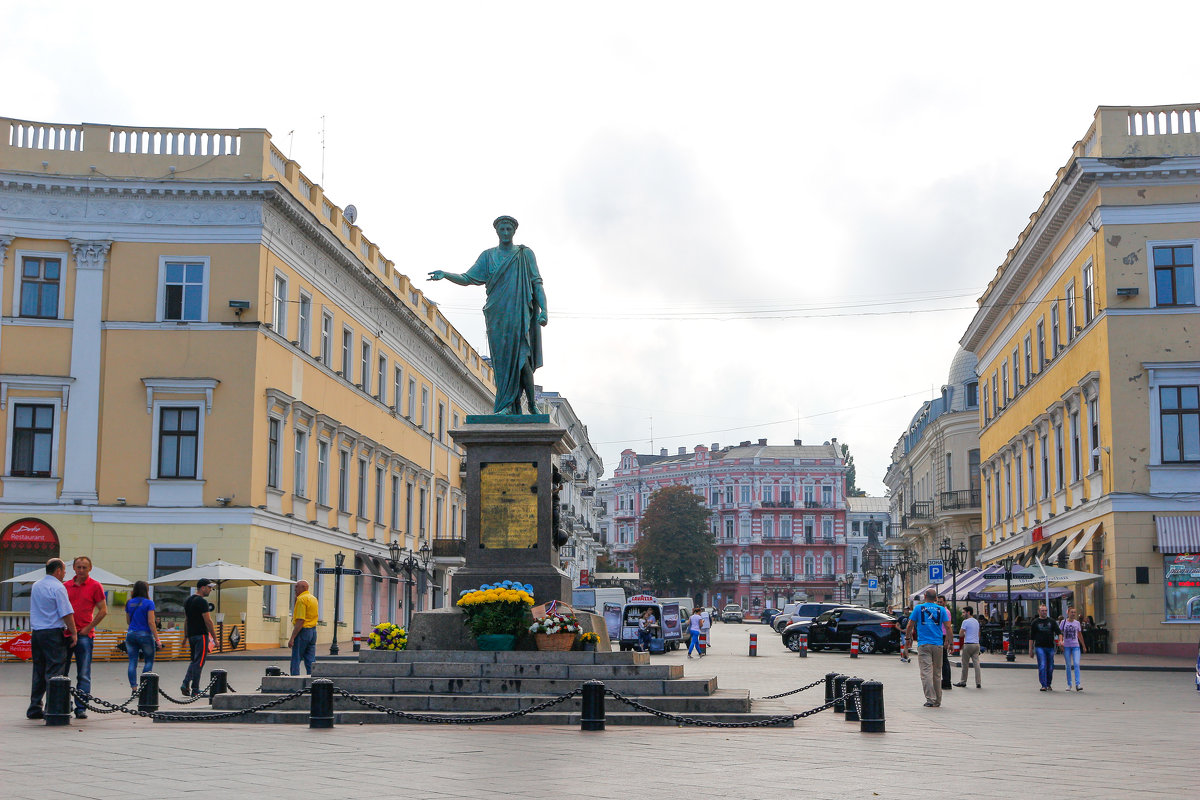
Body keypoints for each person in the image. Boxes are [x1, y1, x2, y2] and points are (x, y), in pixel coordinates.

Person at [428, 216, 548, 415]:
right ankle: (507, 405)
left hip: (519, 314)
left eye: (509, 228)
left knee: (522, 359)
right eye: (503, 228)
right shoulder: (488, 256)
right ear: (497, 231)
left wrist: (544, 311)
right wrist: (446, 274)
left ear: (514, 231)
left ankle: (531, 406)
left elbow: (537, 283)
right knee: (501, 362)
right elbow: (468, 278)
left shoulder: (524, 254)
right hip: (496, 315)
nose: (506, 232)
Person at [26, 558, 77, 720]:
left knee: (39, 670)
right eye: (64, 571)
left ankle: (34, 707)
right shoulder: (58, 587)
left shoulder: (36, 585)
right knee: (55, 670)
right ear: (58, 571)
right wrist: (74, 632)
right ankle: (52, 707)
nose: (64, 574)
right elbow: (66, 613)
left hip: (37, 632)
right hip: (53, 633)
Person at [64, 556, 107, 719]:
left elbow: (103, 610)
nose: (81, 570)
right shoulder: (65, 586)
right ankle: (63, 703)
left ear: (90, 568)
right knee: (62, 672)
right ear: (73, 568)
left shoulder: (95, 586)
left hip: (84, 634)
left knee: (83, 672)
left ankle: (81, 707)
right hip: (66, 634)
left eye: (84, 567)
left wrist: (88, 628)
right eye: (78, 567)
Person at [905, 588, 950, 708]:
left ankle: (930, 699)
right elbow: (948, 627)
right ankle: (938, 700)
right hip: (938, 644)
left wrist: (907, 637)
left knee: (926, 672)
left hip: (924, 644)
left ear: (925, 596)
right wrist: (949, 641)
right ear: (936, 598)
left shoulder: (918, 608)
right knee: (937, 673)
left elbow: (910, 624)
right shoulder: (941, 609)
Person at [181, 578, 216, 696]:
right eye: (209, 587)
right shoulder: (202, 602)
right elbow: (208, 621)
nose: (210, 590)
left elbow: (186, 620)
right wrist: (215, 638)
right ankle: (195, 690)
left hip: (191, 635)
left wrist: (185, 636)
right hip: (201, 634)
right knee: (199, 662)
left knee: (194, 661)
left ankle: (185, 683)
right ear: (202, 587)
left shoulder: (188, 601)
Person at [124, 580, 161, 690]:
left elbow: (128, 621)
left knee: (132, 662)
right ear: (146, 590)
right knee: (148, 660)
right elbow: (151, 622)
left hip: (131, 634)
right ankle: (144, 687)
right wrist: (157, 639)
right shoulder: (149, 603)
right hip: (145, 634)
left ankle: (134, 688)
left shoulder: (129, 602)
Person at [287, 579, 319, 675]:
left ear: (304, 588)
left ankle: (294, 679)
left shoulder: (301, 600)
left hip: (303, 631)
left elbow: (300, 620)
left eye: (297, 587)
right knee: (310, 658)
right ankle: (313, 678)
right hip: (313, 632)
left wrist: (292, 638)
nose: (295, 589)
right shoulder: (313, 598)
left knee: (296, 657)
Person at [1028, 603, 1061, 691]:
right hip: (1039, 647)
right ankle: (1043, 684)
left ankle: (1049, 683)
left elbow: (1059, 632)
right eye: (1042, 611)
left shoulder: (1051, 621)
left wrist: (1060, 641)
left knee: (1050, 667)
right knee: (1042, 665)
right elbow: (1031, 637)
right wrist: (1030, 650)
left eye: (1045, 610)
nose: (1044, 612)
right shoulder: (1035, 622)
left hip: (1050, 646)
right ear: (1039, 611)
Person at [953, 606, 982, 688]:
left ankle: (963, 681)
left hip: (968, 644)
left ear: (968, 612)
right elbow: (978, 633)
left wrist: (965, 633)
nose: (962, 614)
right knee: (976, 663)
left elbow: (960, 634)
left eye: (963, 612)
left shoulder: (965, 622)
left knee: (965, 664)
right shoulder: (976, 621)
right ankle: (978, 682)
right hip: (976, 644)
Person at [1060, 606, 1087, 691]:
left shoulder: (1077, 623)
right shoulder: (1063, 622)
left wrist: (1083, 645)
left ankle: (1078, 684)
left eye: (1074, 612)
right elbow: (1060, 633)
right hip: (1066, 646)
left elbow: (1079, 634)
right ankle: (1069, 684)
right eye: (1071, 612)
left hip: (1075, 646)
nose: (1073, 614)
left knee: (1076, 663)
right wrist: (1061, 642)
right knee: (1068, 665)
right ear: (1068, 613)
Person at [937, 595, 953, 690]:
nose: (939, 603)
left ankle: (947, 682)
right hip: (939, 636)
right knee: (941, 660)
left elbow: (948, 627)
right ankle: (944, 680)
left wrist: (947, 640)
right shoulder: (938, 611)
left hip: (943, 637)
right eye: (938, 602)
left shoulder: (946, 612)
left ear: (945, 602)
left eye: (941, 602)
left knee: (944, 660)